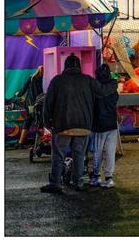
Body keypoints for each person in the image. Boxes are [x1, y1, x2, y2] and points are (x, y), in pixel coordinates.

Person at [41, 53, 117, 193]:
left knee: (58, 155)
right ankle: (78, 183)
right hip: (83, 126)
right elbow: (103, 91)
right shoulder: (87, 80)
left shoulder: (57, 81)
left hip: (62, 126)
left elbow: (48, 104)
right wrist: (114, 83)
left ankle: (55, 184)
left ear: (66, 66)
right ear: (79, 67)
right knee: (79, 155)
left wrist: (47, 123)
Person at [90, 64, 119, 188]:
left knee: (97, 152)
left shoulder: (95, 90)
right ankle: (109, 178)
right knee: (110, 152)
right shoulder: (114, 88)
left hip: (98, 125)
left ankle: (96, 176)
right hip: (112, 123)